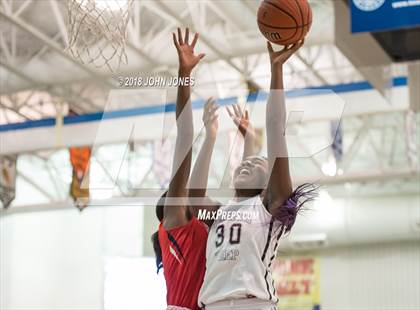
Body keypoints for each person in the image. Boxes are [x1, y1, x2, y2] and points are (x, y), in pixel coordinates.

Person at [197, 40, 318, 310]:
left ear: (268, 185)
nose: (246, 164)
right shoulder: (218, 213)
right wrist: (213, 136)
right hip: (213, 305)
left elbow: (276, 127)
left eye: (258, 164)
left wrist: (276, 70)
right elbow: (194, 195)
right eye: (244, 163)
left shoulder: (269, 208)